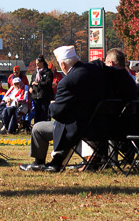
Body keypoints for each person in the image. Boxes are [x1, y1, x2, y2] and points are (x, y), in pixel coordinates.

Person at [20, 45, 105, 173]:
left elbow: (56, 112)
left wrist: (53, 104)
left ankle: (39, 162)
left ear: (64, 65)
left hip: (77, 127)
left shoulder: (68, 81)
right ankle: (54, 161)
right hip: (98, 123)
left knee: (38, 128)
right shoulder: (93, 72)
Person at [29, 56, 54, 124]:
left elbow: (48, 83)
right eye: (36, 63)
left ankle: (44, 130)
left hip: (44, 96)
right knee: (37, 114)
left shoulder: (48, 72)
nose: (37, 65)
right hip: (36, 96)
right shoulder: (35, 73)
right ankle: (36, 128)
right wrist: (30, 87)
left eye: (38, 63)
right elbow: (31, 83)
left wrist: (38, 84)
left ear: (42, 63)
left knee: (44, 113)